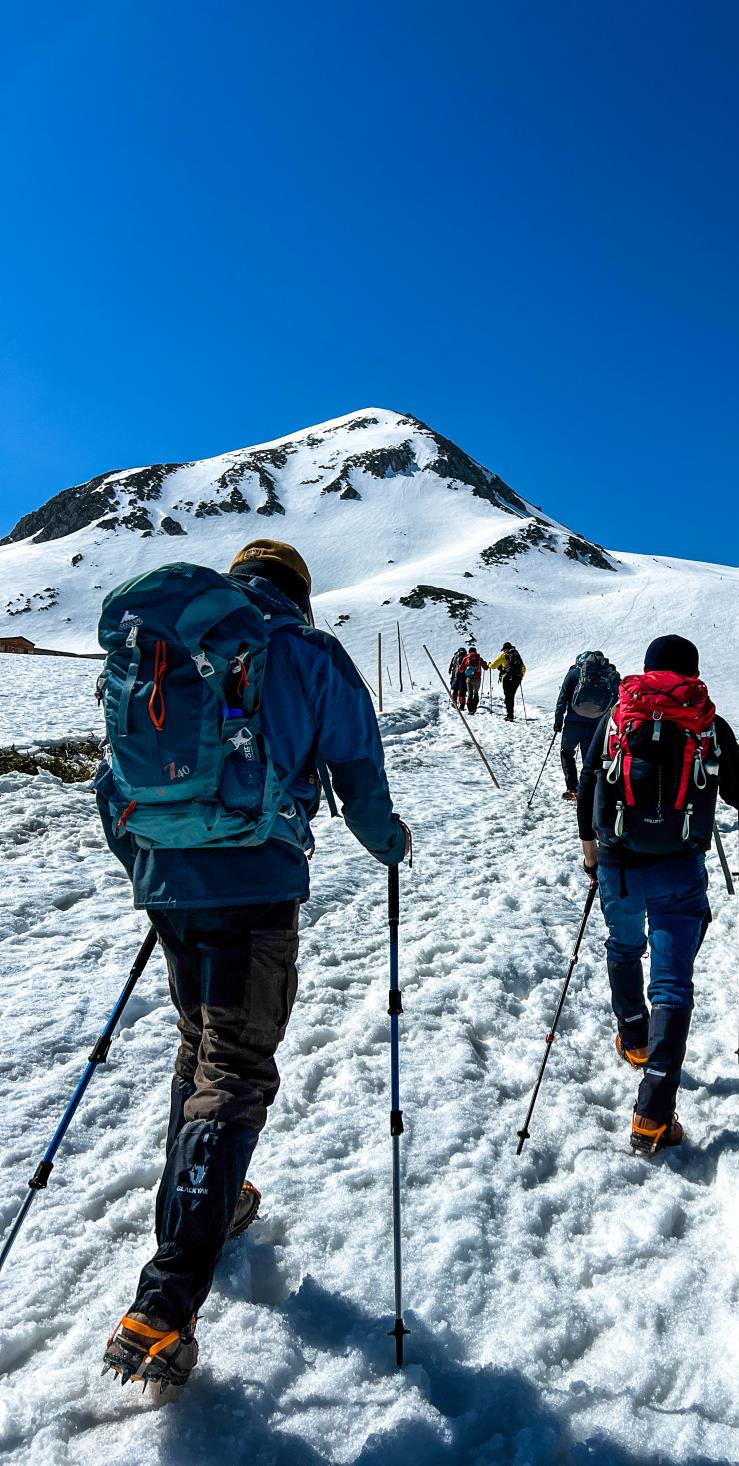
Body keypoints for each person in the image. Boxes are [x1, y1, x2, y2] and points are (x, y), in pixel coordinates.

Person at [96, 538, 409, 1389]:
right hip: (256, 884)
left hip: (168, 883)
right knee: (233, 1067)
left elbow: (110, 784)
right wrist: (390, 844)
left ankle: (212, 1201)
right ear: (298, 594)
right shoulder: (307, 652)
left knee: (198, 1047)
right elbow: (360, 777)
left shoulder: (162, 646)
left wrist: (152, 870)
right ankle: (164, 1302)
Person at [575, 634, 739, 1156]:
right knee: (673, 982)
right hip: (679, 865)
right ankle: (653, 1115)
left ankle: (633, 1036)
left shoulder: (620, 714)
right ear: (693, 672)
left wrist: (591, 854)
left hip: (619, 862)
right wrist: (734, 763)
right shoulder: (707, 721)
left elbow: (588, 785)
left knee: (623, 944)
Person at [554, 650, 620, 802]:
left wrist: (558, 722)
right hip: (596, 723)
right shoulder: (609, 675)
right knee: (589, 758)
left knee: (567, 752)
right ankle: (588, 791)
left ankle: (572, 788)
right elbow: (615, 700)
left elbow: (562, 698)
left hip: (573, 721)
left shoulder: (575, 673)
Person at [488, 641, 526, 721]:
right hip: (517, 679)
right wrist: (520, 677)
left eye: (504, 650)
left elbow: (494, 666)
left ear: (505, 649)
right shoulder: (516, 654)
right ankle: (510, 714)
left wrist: (489, 665)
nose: (504, 651)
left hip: (507, 678)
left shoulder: (504, 655)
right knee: (511, 696)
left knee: (508, 696)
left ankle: (510, 715)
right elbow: (523, 668)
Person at [460, 643, 489, 714]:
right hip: (478, 679)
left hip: (469, 678)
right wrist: (486, 664)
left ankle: (470, 710)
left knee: (470, 694)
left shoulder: (466, 658)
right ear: (475, 651)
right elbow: (486, 668)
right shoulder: (479, 658)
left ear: (469, 652)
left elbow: (461, 669)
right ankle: (474, 708)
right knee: (476, 693)